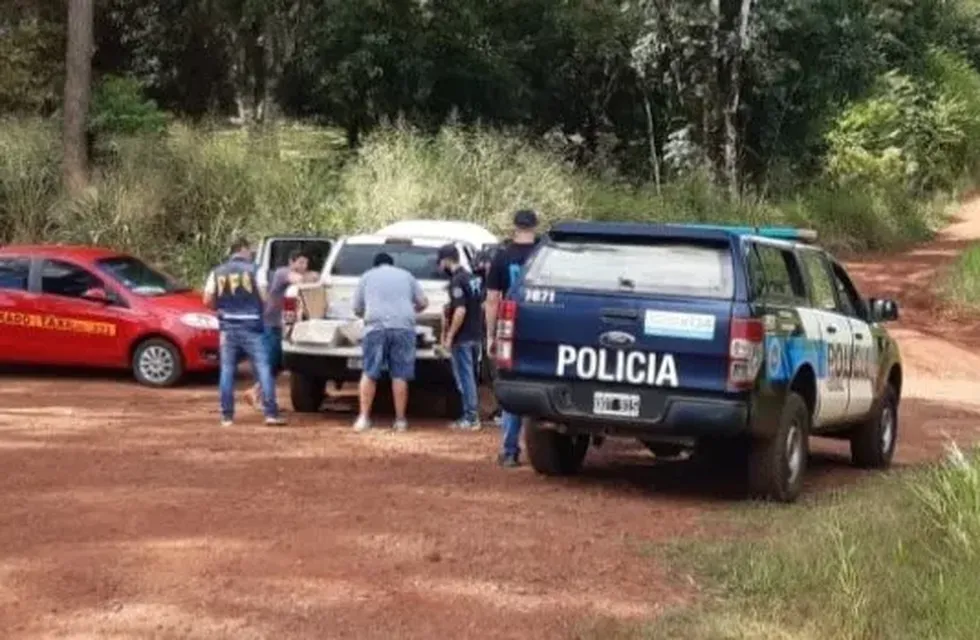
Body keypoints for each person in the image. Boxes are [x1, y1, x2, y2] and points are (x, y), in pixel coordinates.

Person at [203, 237, 285, 427]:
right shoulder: (256, 270)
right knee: (264, 368)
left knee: (227, 370)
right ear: (243, 249)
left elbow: (207, 300)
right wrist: (260, 309)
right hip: (253, 326)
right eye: (250, 251)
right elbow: (265, 295)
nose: (251, 254)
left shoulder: (217, 272)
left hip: (228, 326)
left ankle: (226, 416)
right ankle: (270, 413)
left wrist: (222, 307)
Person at [485, 209, 541, 467]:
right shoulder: (544, 254)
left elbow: (493, 300)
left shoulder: (502, 257)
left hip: (510, 329)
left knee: (512, 385)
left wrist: (491, 335)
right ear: (536, 226)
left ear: (514, 226)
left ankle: (509, 450)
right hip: (541, 329)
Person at [352, 252, 429, 432]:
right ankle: (400, 420)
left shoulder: (367, 276)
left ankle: (363, 418)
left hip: (376, 328)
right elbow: (423, 302)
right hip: (403, 328)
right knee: (400, 374)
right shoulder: (407, 276)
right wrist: (410, 311)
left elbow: (356, 307)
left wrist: (367, 315)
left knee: (370, 372)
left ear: (375, 265)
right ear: (392, 264)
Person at [244, 249, 318, 408]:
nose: (303, 266)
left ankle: (257, 393)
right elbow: (302, 280)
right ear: (291, 262)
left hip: (280, 325)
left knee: (277, 364)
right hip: (271, 324)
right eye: (300, 262)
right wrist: (315, 276)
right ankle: (260, 396)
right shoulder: (282, 272)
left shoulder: (289, 275)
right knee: (271, 362)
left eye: (306, 263)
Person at [437, 244, 483, 431]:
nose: (439, 265)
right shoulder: (473, 278)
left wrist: (449, 336)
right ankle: (471, 414)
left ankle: (471, 417)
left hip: (463, 337)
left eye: (440, 261)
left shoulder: (457, 281)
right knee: (470, 375)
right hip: (476, 334)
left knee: (464, 378)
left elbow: (460, 310)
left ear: (447, 260)